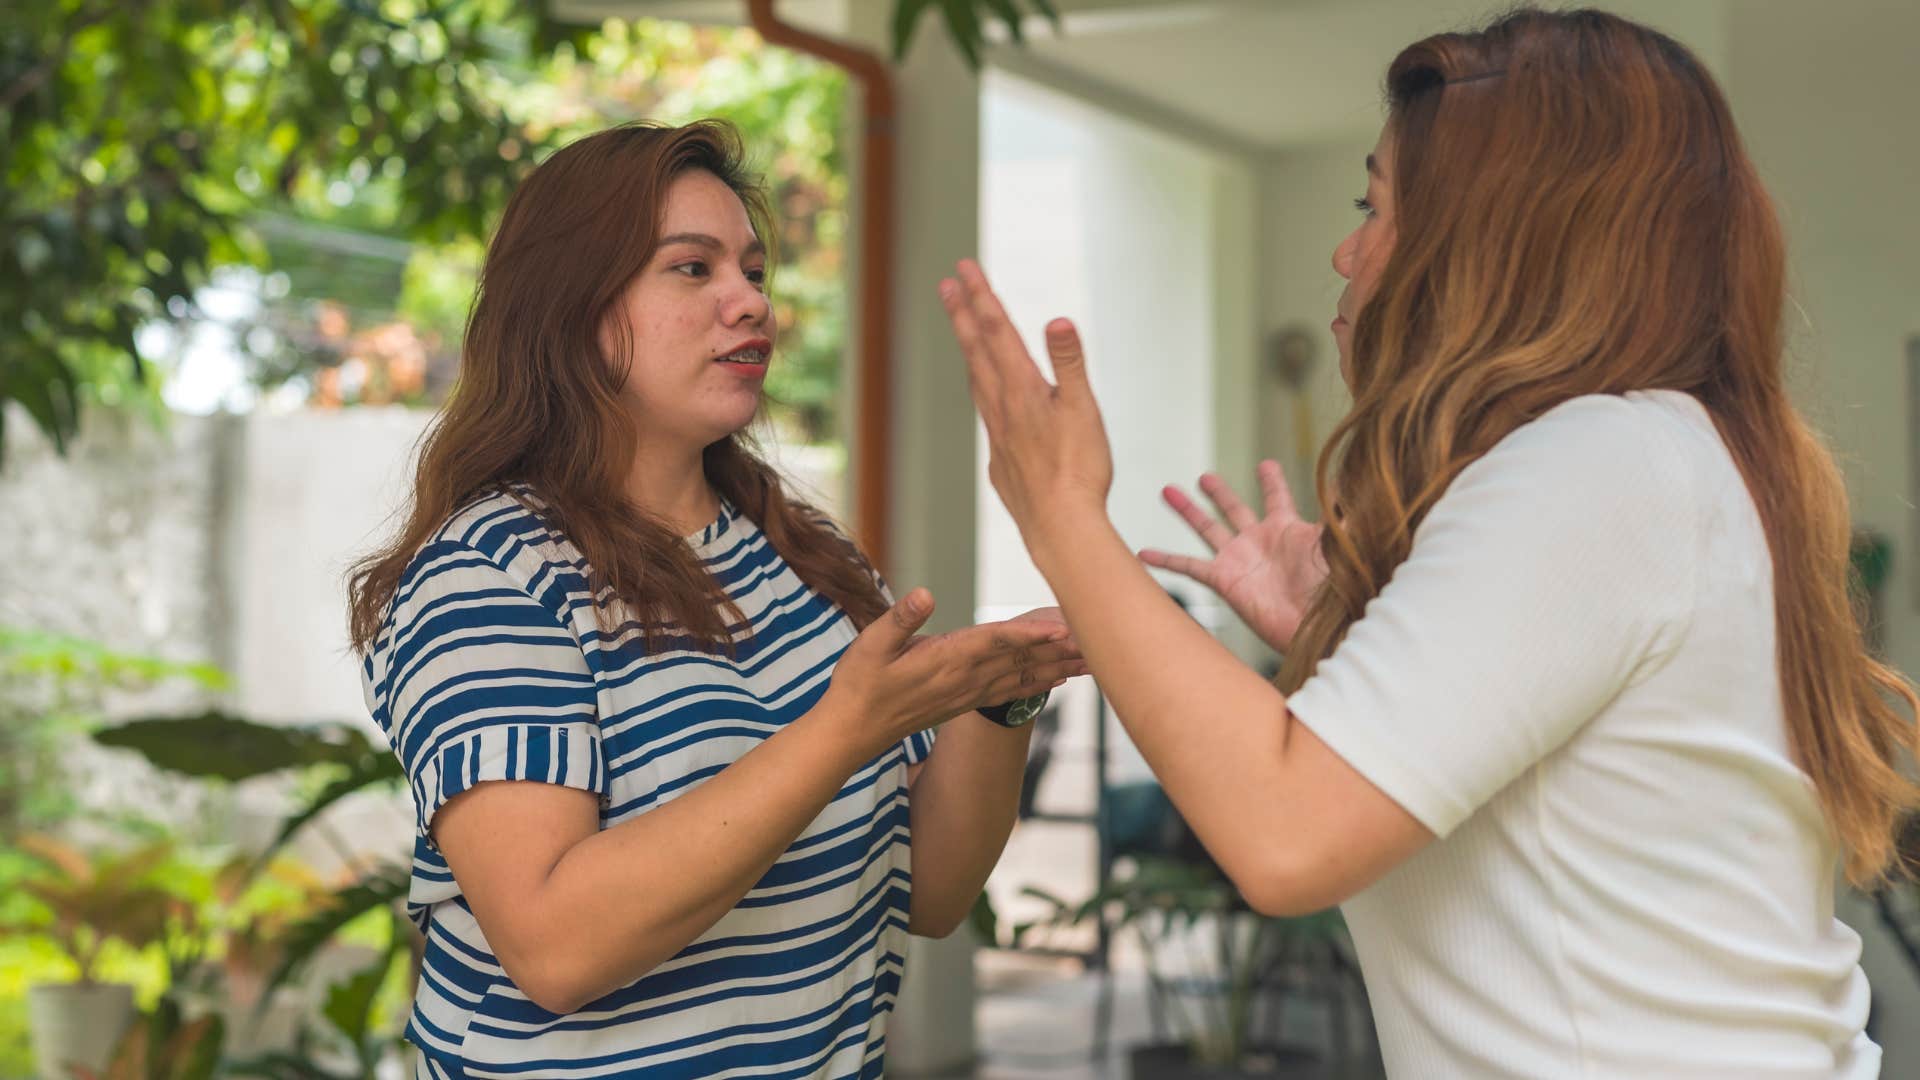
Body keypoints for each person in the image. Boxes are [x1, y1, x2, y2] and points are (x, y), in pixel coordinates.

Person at [939, 8, 1917, 1078]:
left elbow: (1286, 834)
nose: (1345, 249)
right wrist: (1343, 629)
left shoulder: (1601, 463)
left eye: (1377, 205)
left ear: (1500, 241)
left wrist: (1062, 515)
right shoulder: (1664, 457)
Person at [346, 119, 1082, 1079]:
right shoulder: (488, 572)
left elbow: (934, 892)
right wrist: (842, 731)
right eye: (693, 270)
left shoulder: (805, 553)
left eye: (755, 270)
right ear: (570, 307)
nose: (751, 303)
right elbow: (557, 948)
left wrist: (1003, 694)